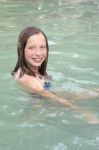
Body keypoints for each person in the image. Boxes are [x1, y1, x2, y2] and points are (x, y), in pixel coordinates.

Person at [12, 26, 99, 124]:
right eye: (32, 48)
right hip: (37, 113)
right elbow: (56, 99)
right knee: (77, 97)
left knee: (89, 93)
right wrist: (86, 114)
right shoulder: (27, 78)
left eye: (42, 47)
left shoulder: (39, 70)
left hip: (45, 101)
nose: (38, 53)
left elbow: (48, 87)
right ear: (22, 49)